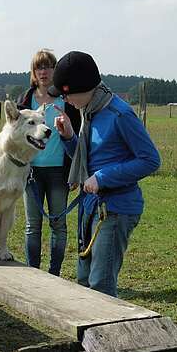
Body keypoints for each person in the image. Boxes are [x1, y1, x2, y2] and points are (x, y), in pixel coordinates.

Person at [50, 51, 160, 297]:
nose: (65, 99)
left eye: (67, 93)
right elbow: (91, 159)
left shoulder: (119, 114)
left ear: (83, 87)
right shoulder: (90, 112)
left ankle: (105, 335)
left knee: (100, 283)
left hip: (115, 209)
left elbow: (150, 160)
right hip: (91, 207)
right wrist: (69, 137)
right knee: (84, 279)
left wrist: (103, 177)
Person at [16, 49, 81, 276]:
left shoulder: (68, 102)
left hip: (59, 173)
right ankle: (34, 275)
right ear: (33, 72)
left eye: (48, 67)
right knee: (32, 227)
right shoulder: (25, 101)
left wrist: (75, 171)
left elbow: (76, 140)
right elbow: (15, 138)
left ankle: (54, 275)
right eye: (39, 67)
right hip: (31, 172)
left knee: (58, 225)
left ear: (55, 70)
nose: (43, 72)